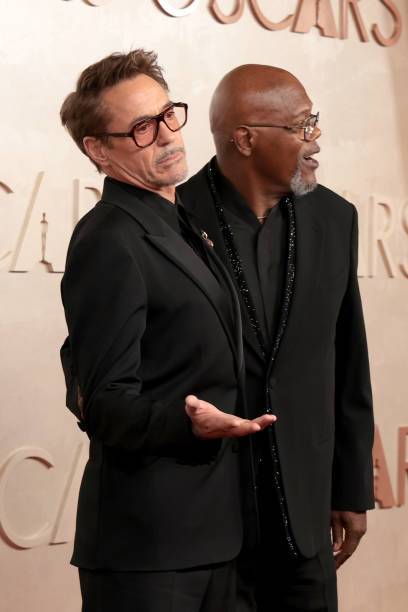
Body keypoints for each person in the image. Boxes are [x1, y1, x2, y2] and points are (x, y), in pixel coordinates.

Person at [59, 51, 275, 612]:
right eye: (140, 128)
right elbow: (105, 402)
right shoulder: (109, 239)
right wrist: (189, 425)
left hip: (217, 537)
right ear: (98, 150)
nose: (166, 135)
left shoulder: (184, 225)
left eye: (166, 114)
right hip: (149, 550)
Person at [178, 64, 375, 612]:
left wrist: (350, 489)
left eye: (314, 121)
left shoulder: (335, 218)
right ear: (245, 139)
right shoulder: (171, 218)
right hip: (203, 522)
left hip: (304, 517)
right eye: (302, 126)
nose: (316, 138)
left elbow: (348, 359)